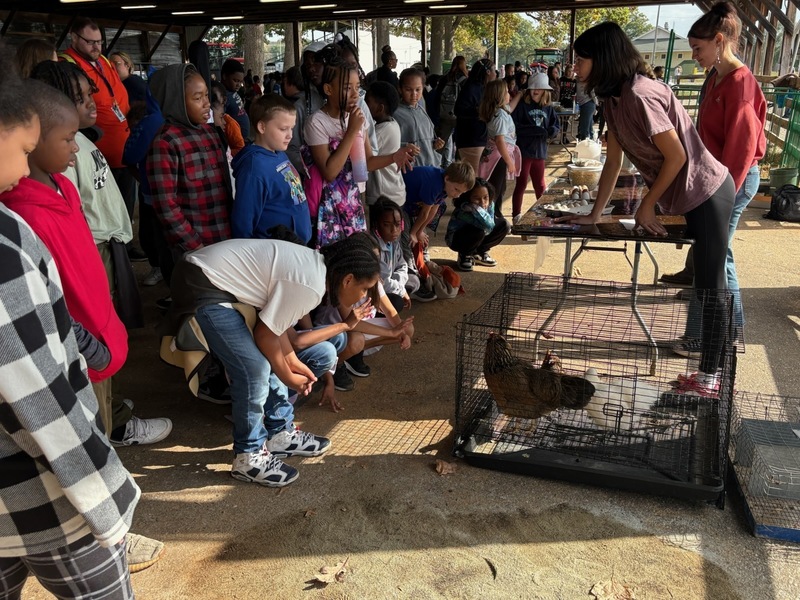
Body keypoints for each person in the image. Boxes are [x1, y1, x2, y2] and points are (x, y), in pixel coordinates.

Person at [0, 49, 142, 597]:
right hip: (43, 495)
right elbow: (41, 397)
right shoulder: (9, 235)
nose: (23, 167)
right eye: (23, 148)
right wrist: (107, 503)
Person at [565, 21, 735, 396]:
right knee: (705, 287)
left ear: (603, 59)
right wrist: (595, 213)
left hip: (708, 192)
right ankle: (709, 374)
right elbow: (613, 161)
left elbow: (676, 156)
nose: (574, 68)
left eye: (580, 60)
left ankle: (712, 378)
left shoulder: (640, 94)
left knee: (711, 288)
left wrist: (647, 205)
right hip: (688, 195)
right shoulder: (612, 99)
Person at [0, 78, 173, 448]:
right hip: (80, 345)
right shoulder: (24, 214)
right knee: (90, 429)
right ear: (33, 141)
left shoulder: (63, 185)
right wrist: (88, 345)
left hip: (98, 327)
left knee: (102, 404)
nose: (75, 147)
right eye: (67, 139)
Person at [168, 235, 382, 486]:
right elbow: (265, 335)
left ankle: (279, 434)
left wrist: (291, 361)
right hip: (201, 283)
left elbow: (276, 328)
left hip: (211, 280)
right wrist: (288, 376)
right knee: (254, 368)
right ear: (348, 279)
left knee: (269, 358)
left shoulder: (314, 269)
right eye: (364, 289)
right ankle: (248, 456)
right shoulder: (311, 286)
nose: (363, 296)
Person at [671, 1, 767, 359]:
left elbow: (740, 153)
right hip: (716, 179)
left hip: (732, 181)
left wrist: (718, 197)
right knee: (713, 253)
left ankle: (711, 336)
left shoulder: (740, 85)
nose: (694, 55)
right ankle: (725, 331)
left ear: (719, 41)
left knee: (714, 256)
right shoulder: (716, 76)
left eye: (698, 48)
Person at [31, 60, 143, 329]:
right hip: (95, 245)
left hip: (108, 241)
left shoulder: (80, 140)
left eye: (89, 94)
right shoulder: (65, 153)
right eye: (79, 98)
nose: (91, 103)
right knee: (99, 313)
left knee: (112, 308)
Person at [304, 57, 413, 248]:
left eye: (357, 87)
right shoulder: (317, 122)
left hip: (354, 199)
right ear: (328, 89)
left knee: (357, 251)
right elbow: (329, 172)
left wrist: (394, 157)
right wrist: (353, 130)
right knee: (334, 254)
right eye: (348, 88)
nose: (355, 94)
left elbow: (366, 163)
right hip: (327, 204)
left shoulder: (355, 117)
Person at [146, 63, 233, 292]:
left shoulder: (210, 132)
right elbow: (166, 206)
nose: (207, 104)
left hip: (224, 239)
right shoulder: (165, 143)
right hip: (195, 249)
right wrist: (196, 245)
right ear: (176, 101)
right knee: (202, 301)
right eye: (197, 98)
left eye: (206, 96)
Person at [232, 94, 311, 244]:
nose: (290, 135)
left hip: (294, 246)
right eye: (283, 129)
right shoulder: (254, 168)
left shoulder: (279, 152)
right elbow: (243, 223)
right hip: (273, 250)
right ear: (262, 127)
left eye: (292, 128)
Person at [509, 72, 559, 224]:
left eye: (539, 88)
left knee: (540, 184)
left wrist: (552, 131)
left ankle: (545, 213)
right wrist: (536, 131)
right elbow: (515, 126)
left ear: (545, 90)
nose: (535, 90)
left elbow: (555, 125)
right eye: (533, 88)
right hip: (523, 151)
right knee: (521, 183)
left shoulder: (548, 108)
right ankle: (516, 215)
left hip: (540, 151)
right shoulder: (522, 105)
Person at [402, 161, 475, 252]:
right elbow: (424, 213)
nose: (457, 195)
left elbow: (433, 210)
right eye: (456, 189)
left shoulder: (447, 186)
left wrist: (419, 231)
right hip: (400, 201)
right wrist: (413, 233)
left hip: (413, 202)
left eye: (461, 193)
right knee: (407, 238)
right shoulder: (435, 184)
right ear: (447, 179)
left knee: (420, 236)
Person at [478, 78, 520, 220]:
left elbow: (511, 107)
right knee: (497, 189)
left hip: (495, 155)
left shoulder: (498, 111)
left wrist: (520, 95)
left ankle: (494, 216)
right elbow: (500, 141)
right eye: (507, 92)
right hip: (499, 157)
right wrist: (509, 162)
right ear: (499, 96)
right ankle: (494, 218)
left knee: (496, 188)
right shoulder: (501, 115)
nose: (509, 94)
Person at [446, 177, 510, 271]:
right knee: (478, 231)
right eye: (476, 198)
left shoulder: (490, 204)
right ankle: (465, 254)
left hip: (482, 232)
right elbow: (487, 225)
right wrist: (476, 208)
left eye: (485, 197)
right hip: (458, 240)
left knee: (504, 225)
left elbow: (491, 225)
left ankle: (479, 252)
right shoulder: (464, 209)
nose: (482, 202)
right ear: (467, 197)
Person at [370, 197, 420, 311]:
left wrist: (399, 285)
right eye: (386, 225)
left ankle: (397, 292)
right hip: (377, 288)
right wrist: (401, 291)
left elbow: (402, 264)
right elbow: (383, 282)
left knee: (414, 280)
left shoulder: (394, 241)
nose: (394, 230)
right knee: (397, 302)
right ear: (376, 224)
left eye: (397, 224)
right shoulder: (373, 246)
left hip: (392, 280)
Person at [365, 81, 407, 207]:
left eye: (367, 102)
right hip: (392, 192)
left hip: (385, 196)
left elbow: (365, 163)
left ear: (380, 108)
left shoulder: (381, 132)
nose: (364, 106)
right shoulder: (392, 123)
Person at [394, 67, 444, 167]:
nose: (414, 94)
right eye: (408, 90)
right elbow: (387, 144)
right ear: (400, 89)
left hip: (430, 165)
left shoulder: (421, 110)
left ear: (423, 88)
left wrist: (435, 144)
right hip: (410, 168)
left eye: (418, 89)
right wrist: (404, 146)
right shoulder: (394, 113)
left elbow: (428, 140)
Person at [454, 59, 494, 174]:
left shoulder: (478, 87)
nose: (495, 74)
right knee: (471, 177)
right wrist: (482, 111)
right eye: (493, 70)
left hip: (475, 138)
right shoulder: (473, 88)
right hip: (471, 139)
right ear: (487, 72)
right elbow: (459, 110)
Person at [434, 56, 468, 167]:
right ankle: (459, 166)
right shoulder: (465, 80)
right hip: (460, 116)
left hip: (445, 115)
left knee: (440, 143)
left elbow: (437, 96)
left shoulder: (445, 78)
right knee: (460, 143)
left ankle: (435, 164)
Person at [210, 80, 245, 157]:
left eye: (214, 99)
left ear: (224, 100)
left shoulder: (229, 123)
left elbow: (240, 148)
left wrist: (226, 153)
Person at [221, 58, 250, 139]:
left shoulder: (232, 91)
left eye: (240, 82)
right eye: (236, 80)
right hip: (234, 140)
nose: (238, 85)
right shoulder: (223, 96)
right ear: (224, 76)